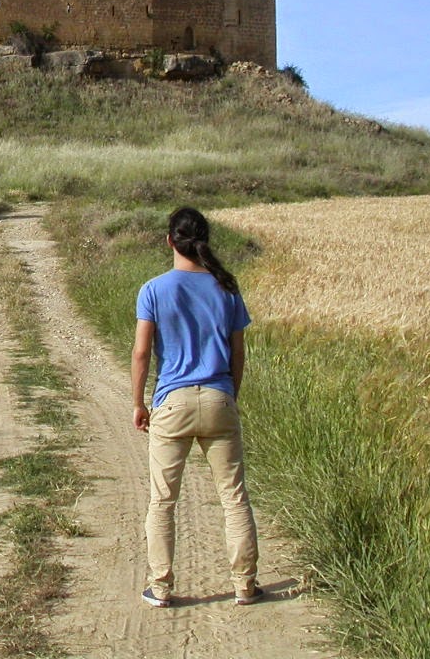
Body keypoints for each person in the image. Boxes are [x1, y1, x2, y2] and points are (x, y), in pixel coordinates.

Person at [131, 206, 262, 608]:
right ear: (205, 240)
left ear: (170, 240)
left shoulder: (154, 289)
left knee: (163, 500)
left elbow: (141, 352)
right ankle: (245, 585)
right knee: (234, 497)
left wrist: (138, 402)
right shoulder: (227, 286)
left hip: (172, 401)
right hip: (220, 396)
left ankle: (162, 586)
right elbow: (239, 353)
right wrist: (231, 395)